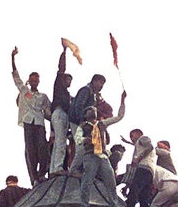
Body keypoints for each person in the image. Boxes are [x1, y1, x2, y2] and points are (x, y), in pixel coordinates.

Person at [73, 91, 127, 207]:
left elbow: (119, 116)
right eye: (90, 110)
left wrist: (122, 101)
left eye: (94, 110)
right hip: (90, 156)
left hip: (103, 156)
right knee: (87, 182)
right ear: (86, 115)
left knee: (111, 183)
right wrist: (86, 140)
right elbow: (78, 139)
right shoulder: (83, 126)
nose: (93, 111)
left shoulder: (102, 124)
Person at [11, 46, 51, 185]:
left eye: (36, 80)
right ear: (29, 80)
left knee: (42, 148)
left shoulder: (43, 96)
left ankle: (41, 174)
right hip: (28, 122)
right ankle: (34, 177)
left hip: (39, 123)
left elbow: (49, 112)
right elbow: (16, 78)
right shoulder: (25, 92)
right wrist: (13, 58)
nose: (34, 82)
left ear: (38, 81)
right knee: (30, 150)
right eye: (32, 80)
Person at [68, 74, 107, 173]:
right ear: (94, 81)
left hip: (80, 122)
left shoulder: (91, 93)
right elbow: (79, 105)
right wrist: (82, 121)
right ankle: (73, 170)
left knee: (84, 146)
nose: (101, 86)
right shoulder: (86, 90)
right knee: (81, 146)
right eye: (100, 83)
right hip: (77, 121)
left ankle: (77, 169)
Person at [49, 40, 73, 176]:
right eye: (67, 79)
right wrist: (64, 52)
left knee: (59, 142)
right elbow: (61, 68)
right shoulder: (59, 86)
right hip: (59, 113)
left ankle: (54, 169)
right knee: (61, 142)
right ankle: (57, 168)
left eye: (70, 80)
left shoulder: (67, 94)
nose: (68, 82)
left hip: (61, 114)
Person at [124, 129, 156, 207]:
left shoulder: (143, 138)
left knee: (134, 191)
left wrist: (138, 158)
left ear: (138, 134)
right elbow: (139, 146)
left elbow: (149, 146)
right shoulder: (139, 144)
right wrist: (127, 142)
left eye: (132, 136)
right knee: (143, 198)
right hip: (150, 172)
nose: (132, 139)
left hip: (143, 168)